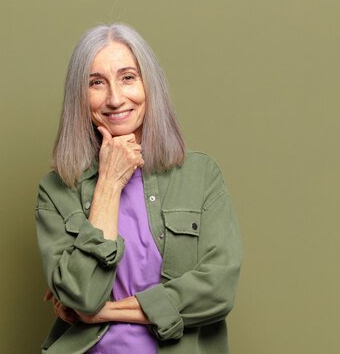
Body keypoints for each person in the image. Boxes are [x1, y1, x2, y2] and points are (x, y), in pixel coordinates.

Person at [34, 23, 242, 354]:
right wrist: (109, 182)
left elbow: (218, 289)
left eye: (128, 77)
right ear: (79, 96)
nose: (116, 99)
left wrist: (102, 312)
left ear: (149, 85)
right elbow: (82, 295)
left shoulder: (201, 175)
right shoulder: (57, 190)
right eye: (96, 83)